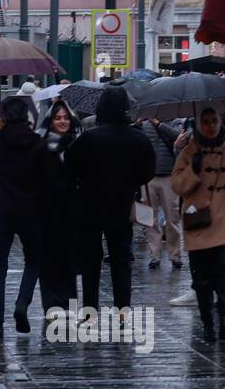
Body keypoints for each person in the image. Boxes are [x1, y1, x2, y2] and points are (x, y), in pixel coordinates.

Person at [170, 107, 225, 343]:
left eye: (214, 121)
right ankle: (208, 324)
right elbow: (177, 185)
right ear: (198, 124)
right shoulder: (189, 152)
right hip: (199, 221)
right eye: (205, 122)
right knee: (202, 279)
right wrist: (194, 169)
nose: (210, 126)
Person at [62, 86, 155, 311]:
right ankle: (122, 310)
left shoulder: (89, 138)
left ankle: (90, 310)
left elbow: (69, 169)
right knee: (121, 261)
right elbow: (148, 172)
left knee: (91, 262)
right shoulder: (138, 139)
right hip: (121, 207)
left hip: (90, 208)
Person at [0, 96, 53, 339]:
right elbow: (45, 178)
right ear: (26, 116)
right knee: (33, 261)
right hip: (30, 211)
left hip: (1, 211)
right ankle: (22, 303)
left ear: (4, 117)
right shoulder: (37, 142)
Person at [37, 99, 81, 313]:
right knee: (49, 259)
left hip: (72, 212)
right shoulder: (42, 146)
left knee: (69, 260)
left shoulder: (78, 143)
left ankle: (69, 302)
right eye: (57, 118)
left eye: (65, 117)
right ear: (51, 121)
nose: (62, 121)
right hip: (48, 212)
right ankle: (51, 303)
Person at [139, 116, 183, 270]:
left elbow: (178, 137)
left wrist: (159, 123)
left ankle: (175, 255)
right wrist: (137, 126)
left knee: (173, 218)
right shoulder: (142, 123)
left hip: (169, 176)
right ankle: (154, 256)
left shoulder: (175, 121)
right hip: (148, 177)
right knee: (149, 219)